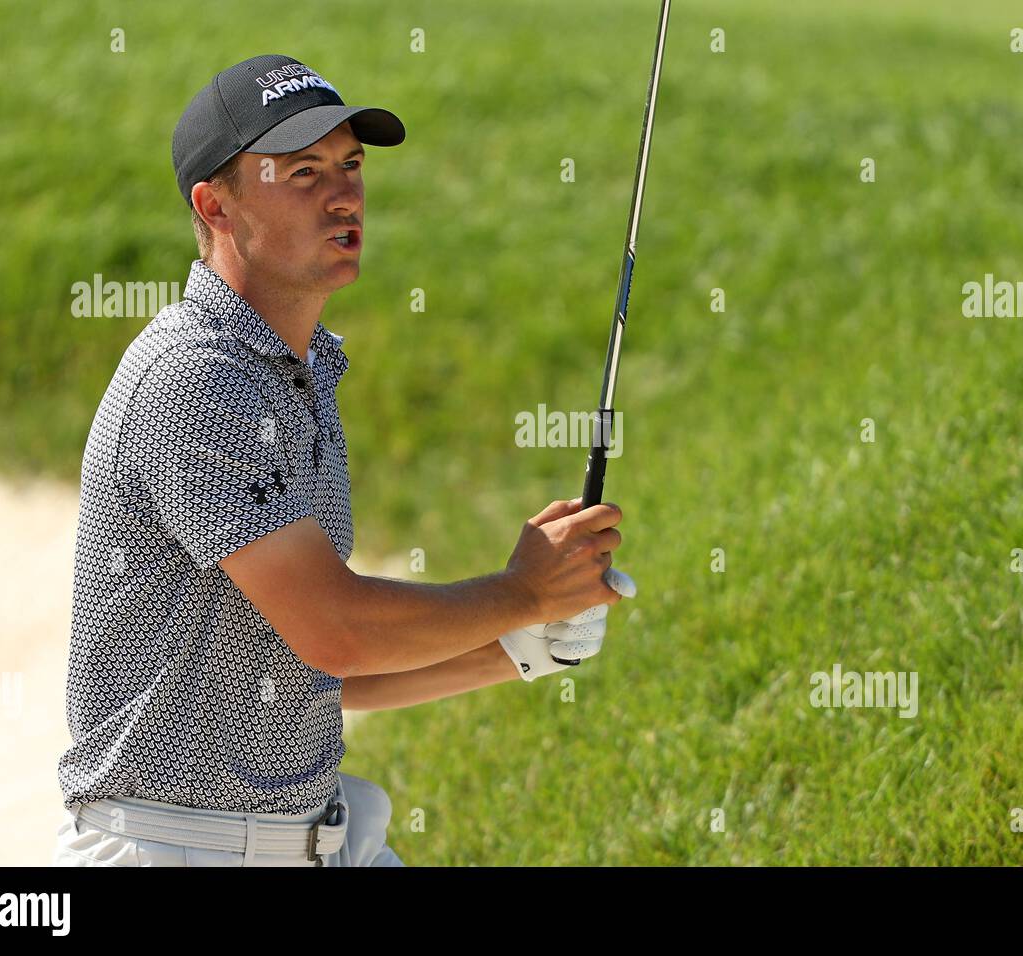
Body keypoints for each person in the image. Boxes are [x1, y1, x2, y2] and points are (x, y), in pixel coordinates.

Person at [52, 54, 635, 867]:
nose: (344, 194)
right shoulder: (194, 379)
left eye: (350, 165)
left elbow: (311, 678)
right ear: (215, 205)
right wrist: (520, 592)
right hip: (174, 849)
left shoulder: (300, 371)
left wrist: (529, 636)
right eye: (302, 172)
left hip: (311, 841)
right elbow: (336, 632)